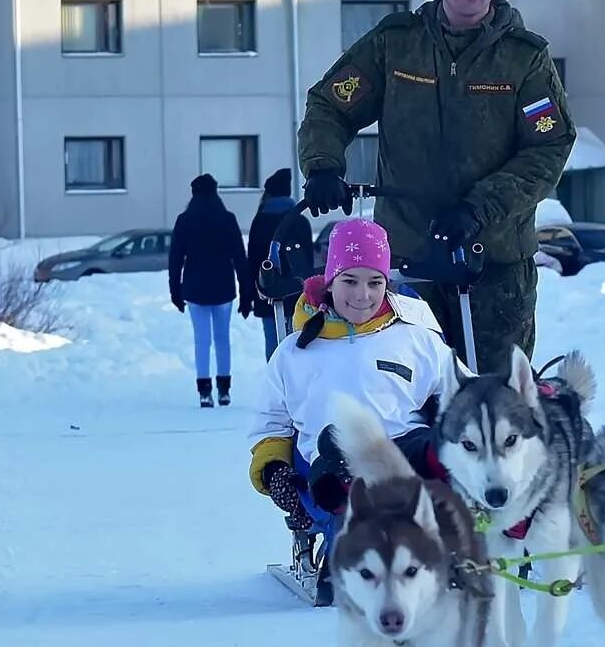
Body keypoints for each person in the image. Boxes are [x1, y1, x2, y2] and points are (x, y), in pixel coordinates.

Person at [297, 0, 575, 374]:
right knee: (404, 399)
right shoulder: (395, 44)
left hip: (495, 265)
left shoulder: (524, 59)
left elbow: (547, 148)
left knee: (494, 408)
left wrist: (476, 209)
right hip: (408, 260)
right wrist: (324, 164)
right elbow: (329, 104)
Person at [247, 217, 458, 529]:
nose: (362, 295)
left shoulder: (415, 338)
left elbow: (463, 390)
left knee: (436, 452)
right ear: (330, 281)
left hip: (405, 450)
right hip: (332, 465)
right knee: (340, 453)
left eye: (375, 283)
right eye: (350, 281)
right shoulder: (294, 353)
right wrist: (274, 470)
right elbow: (271, 423)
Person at [169, 173, 253, 408]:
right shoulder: (227, 219)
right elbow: (239, 257)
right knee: (222, 339)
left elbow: (175, 258)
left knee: (201, 340)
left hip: (195, 288)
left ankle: (204, 390)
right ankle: (224, 389)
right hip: (223, 286)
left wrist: (175, 290)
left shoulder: (185, 220)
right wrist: (246, 294)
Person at [247, 168, 312, 361]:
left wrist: (250, 295)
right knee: (297, 342)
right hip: (297, 292)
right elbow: (308, 262)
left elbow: (252, 261)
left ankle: (275, 383)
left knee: (273, 344)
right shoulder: (299, 221)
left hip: (268, 289)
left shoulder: (260, 221)